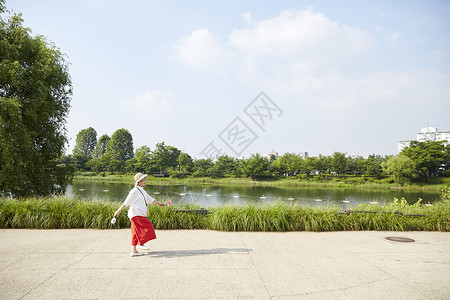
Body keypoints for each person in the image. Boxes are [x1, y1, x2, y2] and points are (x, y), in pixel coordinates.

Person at [114, 172, 168, 257]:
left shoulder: (142, 190)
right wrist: (118, 211)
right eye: (143, 180)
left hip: (140, 215)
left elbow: (150, 199)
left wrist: (159, 203)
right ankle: (140, 243)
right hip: (136, 215)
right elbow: (126, 202)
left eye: (144, 180)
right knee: (149, 228)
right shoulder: (134, 191)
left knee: (135, 233)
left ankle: (134, 250)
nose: (145, 181)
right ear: (138, 182)